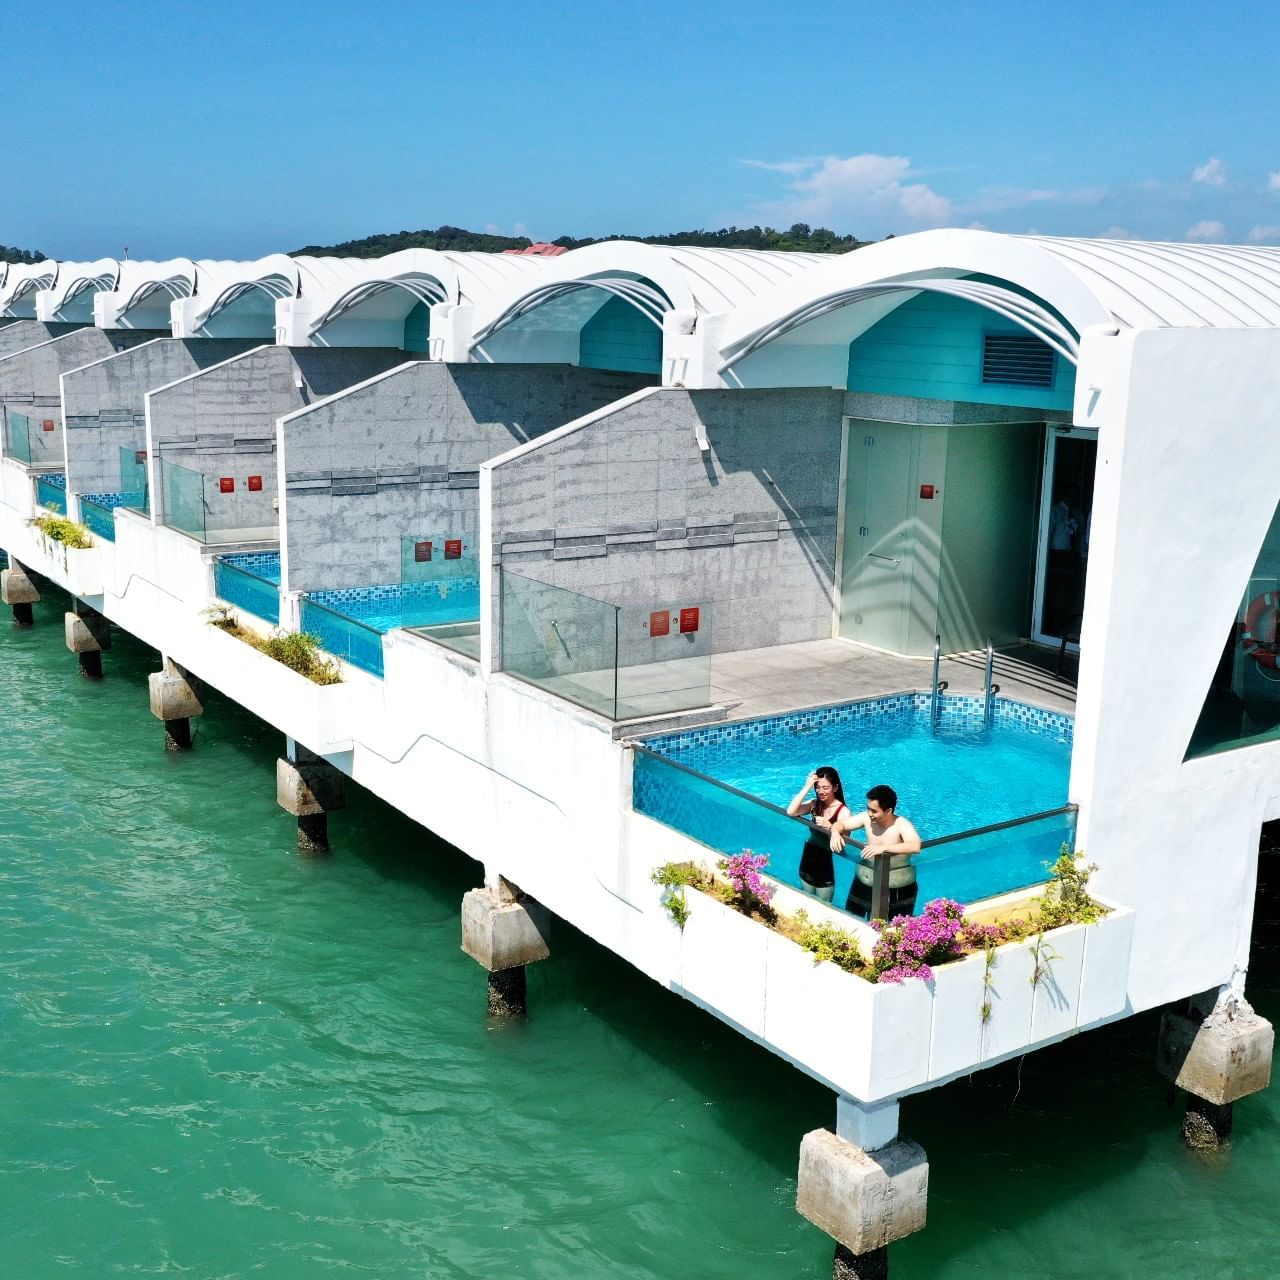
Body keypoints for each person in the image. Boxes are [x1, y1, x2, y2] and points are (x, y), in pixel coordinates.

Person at [838, 784, 922, 919]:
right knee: (850, 920)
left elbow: (915, 846)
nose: (869, 813)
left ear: (888, 811)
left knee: (892, 931)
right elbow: (841, 824)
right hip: (862, 884)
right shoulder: (866, 818)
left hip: (897, 889)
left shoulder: (901, 824)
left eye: (874, 811)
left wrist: (884, 849)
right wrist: (836, 832)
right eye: (868, 808)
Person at [786, 766, 850, 902]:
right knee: (805, 901)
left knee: (825, 907)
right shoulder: (814, 804)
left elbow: (844, 844)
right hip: (808, 858)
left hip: (826, 861)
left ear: (835, 788)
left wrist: (830, 827)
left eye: (825, 788)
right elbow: (791, 811)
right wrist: (807, 786)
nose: (821, 791)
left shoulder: (843, 812)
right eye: (818, 787)